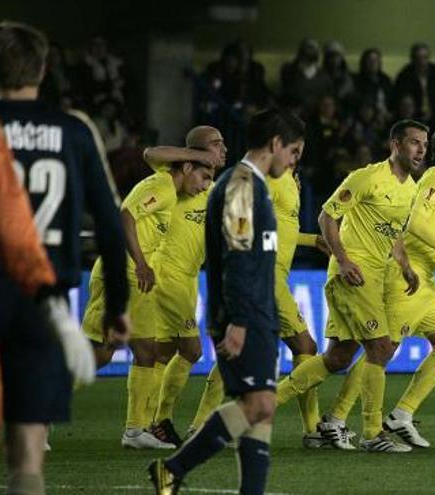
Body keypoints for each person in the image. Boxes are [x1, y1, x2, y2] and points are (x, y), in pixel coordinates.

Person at [0, 21, 129, 494]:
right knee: (28, 460)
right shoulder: (73, 130)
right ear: (45, 68)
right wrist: (118, 305)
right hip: (43, 303)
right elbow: (112, 227)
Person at [149, 108, 306, 493]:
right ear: (275, 143)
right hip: (244, 316)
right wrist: (237, 320)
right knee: (257, 406)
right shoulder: (239, 186)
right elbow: (237, 256)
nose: (294, 162)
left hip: (259, 313)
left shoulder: (250, 185)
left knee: (262, 412)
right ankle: (172, 468)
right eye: (294, 151)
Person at [319, 121, 435, 449]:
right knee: (381, 349)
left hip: (426, 277)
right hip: (406, 277)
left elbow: (420, 225)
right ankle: (336, 419)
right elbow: (416, 222)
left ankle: (401, 414)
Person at [271, 120, 427, 453]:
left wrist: (405, 265)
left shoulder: (411, 189)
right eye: (414, 143)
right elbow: (327, 217)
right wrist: (342, 259)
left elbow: (393, 233)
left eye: (423, 145)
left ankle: (266, 404)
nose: (420, 150)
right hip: (352, 275)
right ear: (395, 144)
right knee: (381, 348)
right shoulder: (366, 177)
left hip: (374, 276)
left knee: (338, 357)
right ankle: (373, 433)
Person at [81, 139, 215, 449]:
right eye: (203, 177)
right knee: (137, 352)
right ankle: (133, 430)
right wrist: (142, 263)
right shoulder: (164, 186)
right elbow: (126, 214)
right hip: (126, 272)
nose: (205, 185)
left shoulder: (170, 187)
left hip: (125, 271)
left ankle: (135, 431)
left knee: (109, 352)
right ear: (186, 166)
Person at [144, 127, 226, 447]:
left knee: (164, 352)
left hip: (190, 279)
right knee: (192, 350)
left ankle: (146, 422)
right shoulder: (178, 175)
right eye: (216, 144)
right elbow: (150, 153)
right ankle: (161, 420)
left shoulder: (212, 188)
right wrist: (195, 156)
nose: (224, 149)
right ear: (196, 151)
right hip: (167, 273)